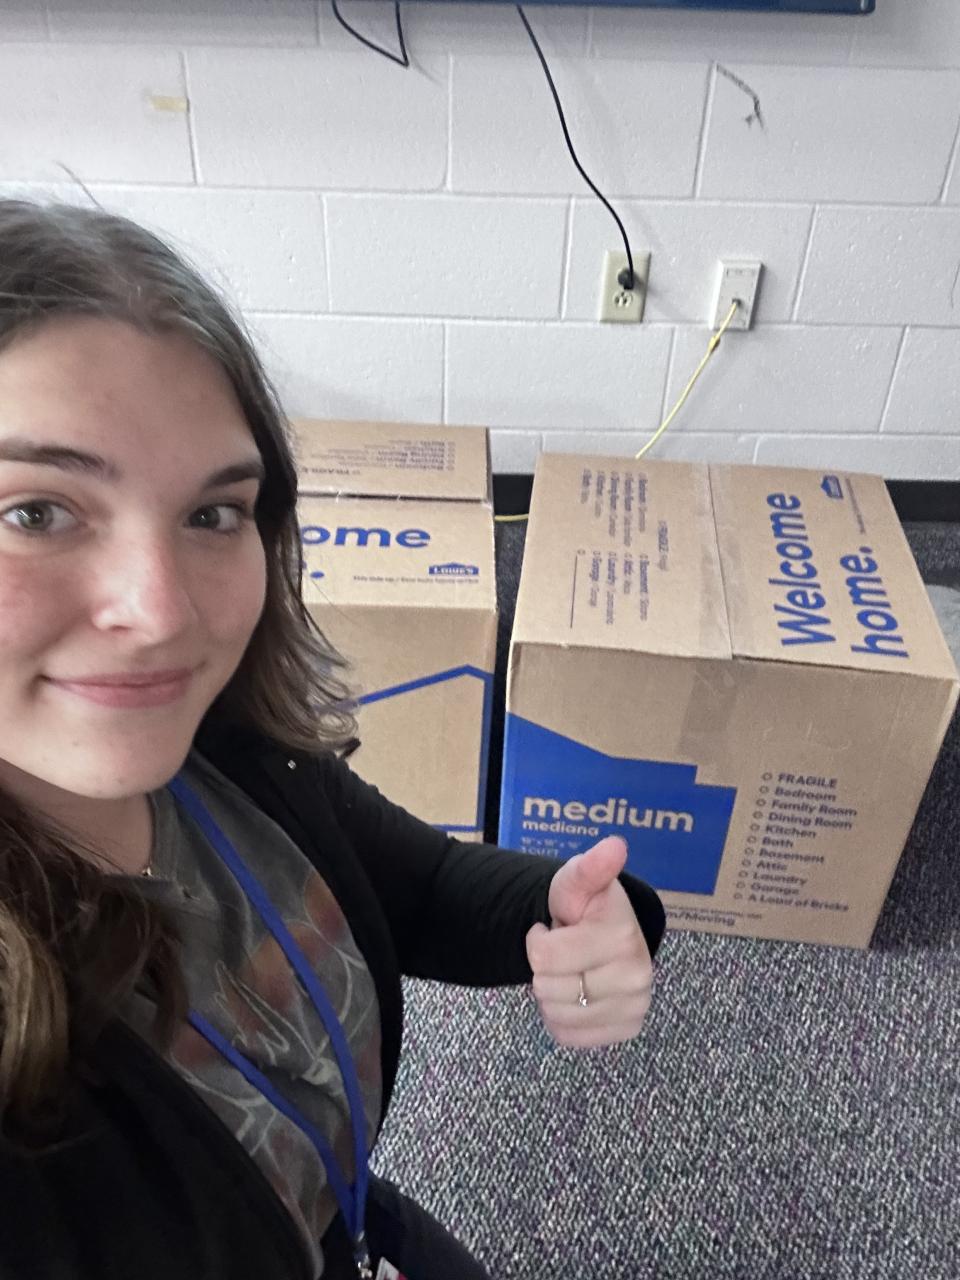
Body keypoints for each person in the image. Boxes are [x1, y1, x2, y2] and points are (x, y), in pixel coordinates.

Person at [0, 197, 667, 1280]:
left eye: (212, 513)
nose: (162, 611)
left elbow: (425, 884)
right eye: (35, 511)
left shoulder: (224, 750)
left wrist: (584, 912)